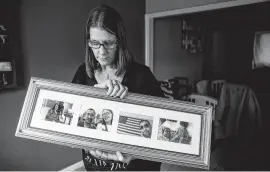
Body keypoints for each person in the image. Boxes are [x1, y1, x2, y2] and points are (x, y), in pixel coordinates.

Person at [71, 4, 164, 171]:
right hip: (94, 166)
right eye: (95, 43)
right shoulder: (81, 74)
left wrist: (134, 153)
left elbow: (161, 130)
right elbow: (71, 121)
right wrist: (94, 95)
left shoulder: (142, 76)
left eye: (109, 43)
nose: (101, 51)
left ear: (119, 41)